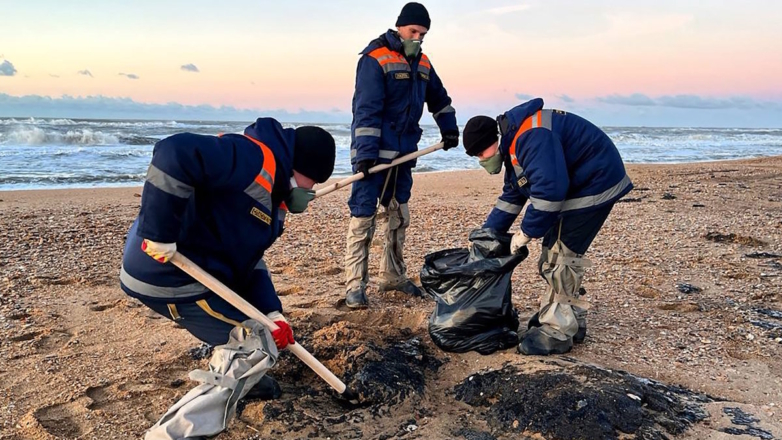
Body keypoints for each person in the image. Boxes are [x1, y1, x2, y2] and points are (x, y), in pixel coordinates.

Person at [119, 118, 335, 438]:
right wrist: (159, 232)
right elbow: (173, 153)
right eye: (312, 180)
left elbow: (250, 262)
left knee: (259, 329)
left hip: (199, 274)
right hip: (168, 271)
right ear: (298, 165)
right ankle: (172, 434)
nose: (311, 190)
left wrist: (271, 310)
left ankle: (244, 375)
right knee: (256, 344)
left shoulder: (274, 202)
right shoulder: (251, 159)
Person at [461, 98, 633, 355]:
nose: (481, 160)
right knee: (558, 251)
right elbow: (513, 195)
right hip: (584, 181)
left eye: (480, 154)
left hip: (595, 183)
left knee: (560, 255)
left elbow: (550, 193)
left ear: (492, 142)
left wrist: (525, 233)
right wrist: (487, 235)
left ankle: (557, 331)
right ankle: (570, 318)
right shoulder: (514, 144)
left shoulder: (531, 138)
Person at [345, 2, 459, 308]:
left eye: (423, 34)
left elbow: (440, 99)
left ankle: (392, 276)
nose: (418, 38)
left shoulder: (423, 63)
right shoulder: (375, 58)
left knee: (398, 214)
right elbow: (366, 109)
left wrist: (449, 128)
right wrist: (365, 155)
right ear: (400, 27)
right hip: (375, 154)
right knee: (363, 215)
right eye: (414, 31)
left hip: (405, 153)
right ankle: (355, 285)